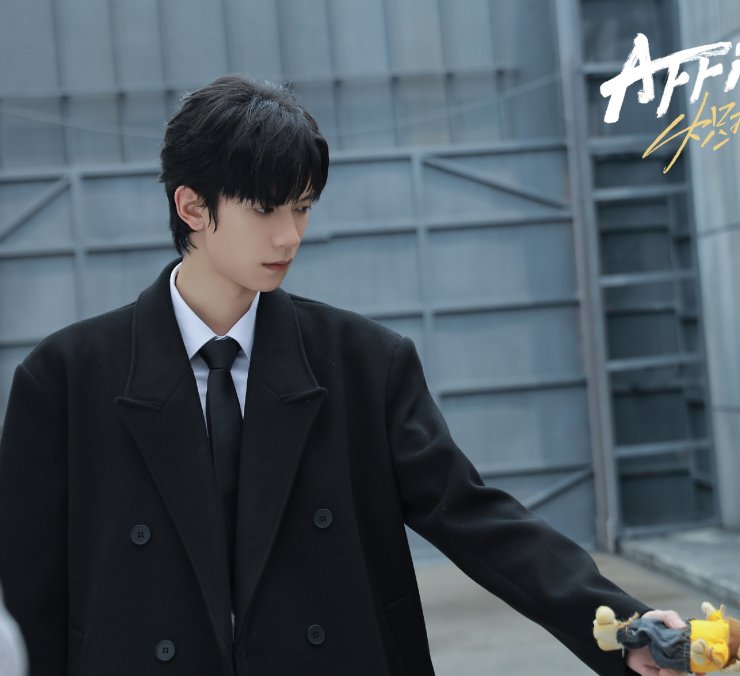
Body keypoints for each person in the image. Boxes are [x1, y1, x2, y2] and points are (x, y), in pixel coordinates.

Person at [0, 74, 685, 675]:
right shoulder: (65, 380)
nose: (290, 236)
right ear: (193, 207)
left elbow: (476, 518)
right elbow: (28, 590)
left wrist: (620, 625)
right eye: (265, 209)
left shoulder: (365, 364)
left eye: (301, 206)